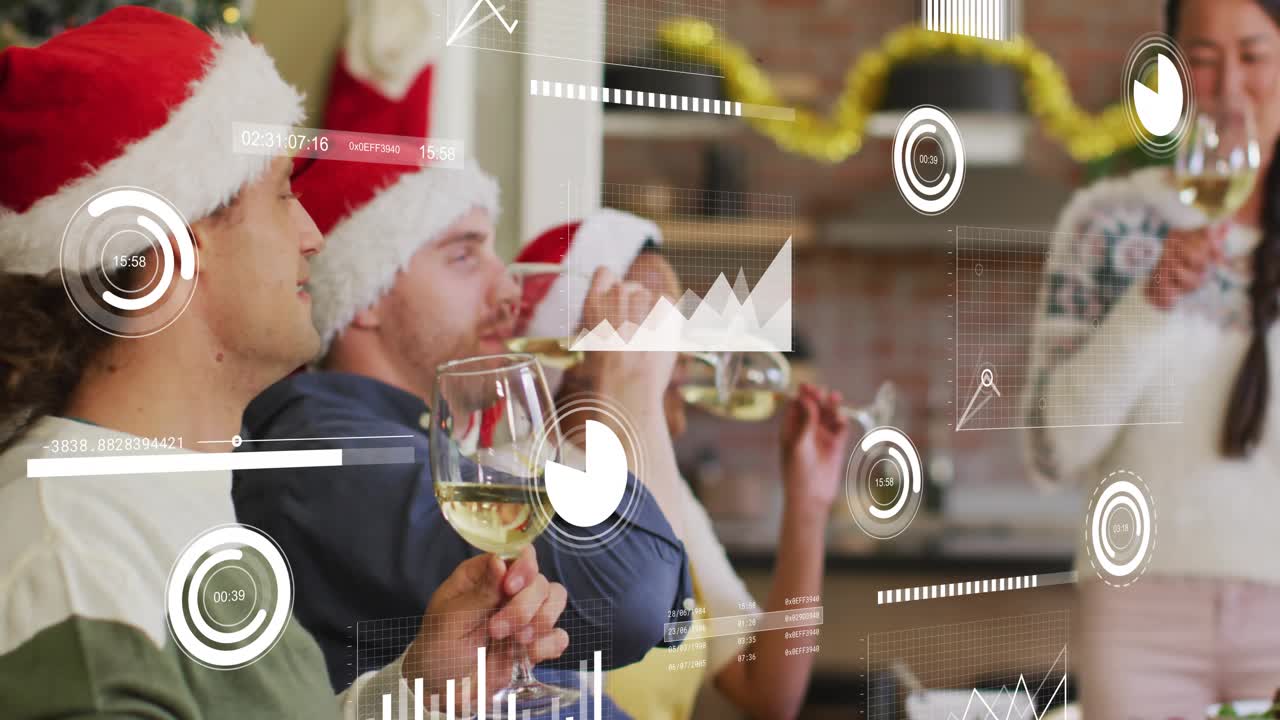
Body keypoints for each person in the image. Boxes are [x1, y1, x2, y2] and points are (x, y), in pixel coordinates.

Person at [0, 8, 568, 719]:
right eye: (280, 194)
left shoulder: (160, 503)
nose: (310, 235)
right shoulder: (75, 576)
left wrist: (416, 697)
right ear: (171, 255)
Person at [230, 156, 696, 698]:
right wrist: (628, 394)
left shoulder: (434, 448)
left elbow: (668, 615)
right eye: (464, 256)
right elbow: (631, 602)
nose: (509, 292)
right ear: (368, 297)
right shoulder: (329, 452)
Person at [1026, 1, 1280, 716]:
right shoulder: (1106, 224)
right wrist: (1151, 303)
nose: (1229, 87)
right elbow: (1054, 450)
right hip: (1136, 621)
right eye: (1202, 58)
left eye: (1255, 56)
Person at [516, 211, 852, 720]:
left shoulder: (666, 489)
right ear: (569, 349)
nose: (682, 353)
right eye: (649, 321)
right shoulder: (514, 490)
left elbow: (766, 692)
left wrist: (809, 503)